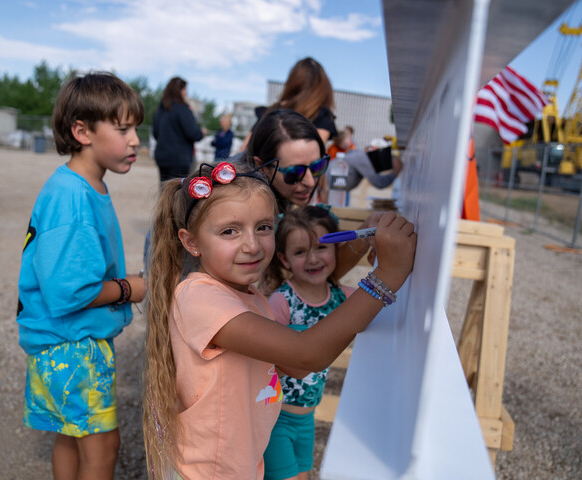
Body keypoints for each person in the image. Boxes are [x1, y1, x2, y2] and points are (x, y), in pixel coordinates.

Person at [141, 161, 416, 479]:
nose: (252, 245)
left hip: (241, 465)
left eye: (263, 227)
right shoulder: (200, 297)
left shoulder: (248, 294)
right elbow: (307, 354)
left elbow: (296, 365)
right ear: (191, 242)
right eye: (230, 231)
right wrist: (386, 277)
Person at [16, 72, 147, 480]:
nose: (135, 140)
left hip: (61, 344)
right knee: (103, 447)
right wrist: (135, 287)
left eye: (136, 129)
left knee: (70, 436)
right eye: (123, 128)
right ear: (81, 131)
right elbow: (70, 291)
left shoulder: (82, 186)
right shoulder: (72, 198)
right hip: (73, 346)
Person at [262, 206, 355, 480]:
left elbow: (377, 304)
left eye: (321, 248)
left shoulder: (342, 298)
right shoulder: (281, 301)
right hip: (275, 418)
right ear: (284, 259)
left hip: (307, 419)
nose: (313, 259)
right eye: (300, 252)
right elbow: (264, 359)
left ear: (337, 249)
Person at [242, 109, 372, 279]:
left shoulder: (276, 193)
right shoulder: (246, 210)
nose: (310, 182)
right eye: (295, 172)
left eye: (318, 166)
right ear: (263, 167)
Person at [241, 57, 337, 151]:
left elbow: (244, 151)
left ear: (293, 82)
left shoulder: (271, 111)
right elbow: (313, 158)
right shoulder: (321, 115)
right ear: (323, 87)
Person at [152, 77, 205, 182]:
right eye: (185, 90)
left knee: (165, 191)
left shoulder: (160, 110)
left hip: (162, 156)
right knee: (178, 193)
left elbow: (155, 133)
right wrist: (201, 133)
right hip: (179, 159)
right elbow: (193, 133)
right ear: (179, 91)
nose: (186, 93)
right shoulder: (182, 109)